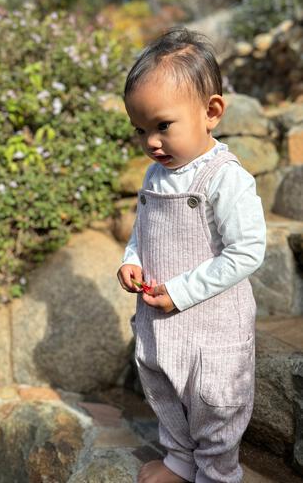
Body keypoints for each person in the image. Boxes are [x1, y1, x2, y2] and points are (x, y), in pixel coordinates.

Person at [116, 28, 267, 483]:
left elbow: (247, 251)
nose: (151, 142)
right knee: (164, 389)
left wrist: (181, 291)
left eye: (163, 126)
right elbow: (144, 229)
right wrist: (132, 258)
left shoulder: (225, 178)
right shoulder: (155, 174)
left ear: (211, 111)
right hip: (161, 323)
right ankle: (181, 459)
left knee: (214, 403)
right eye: (140, 130)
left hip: (212, 326)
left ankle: (217, 473)